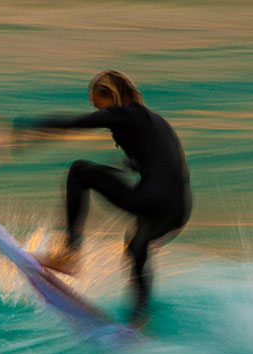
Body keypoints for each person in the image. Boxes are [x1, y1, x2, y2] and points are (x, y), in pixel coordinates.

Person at [13, 70, 191, 328]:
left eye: (99, 105)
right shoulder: (152, 121)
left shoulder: (124, 114)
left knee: (79, 172)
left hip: (151, 200)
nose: (99, 112)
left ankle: (69, 254)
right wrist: (129, 165)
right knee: (136, 247)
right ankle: (140, 318)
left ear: (112, 95)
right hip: (177, 210)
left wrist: (28, 126)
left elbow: (73, 123)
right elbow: (163, 161)